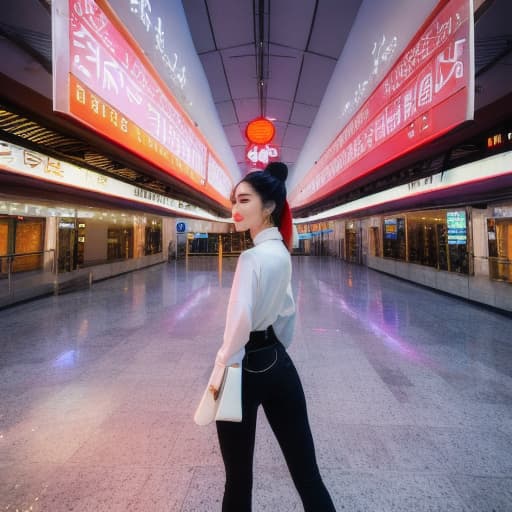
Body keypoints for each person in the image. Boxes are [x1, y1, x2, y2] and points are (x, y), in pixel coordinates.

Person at [207, 162, 336, 511]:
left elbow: (237, 326)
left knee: (238, 477)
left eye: (245, 200)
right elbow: (287, 314)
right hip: (279, 365)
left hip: (243, 370)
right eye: (234, 201)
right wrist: (274, 351)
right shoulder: (281, 252)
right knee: (307, 475)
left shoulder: (251, 257)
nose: (236, 209)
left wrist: (221, 373)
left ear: (268, 207)